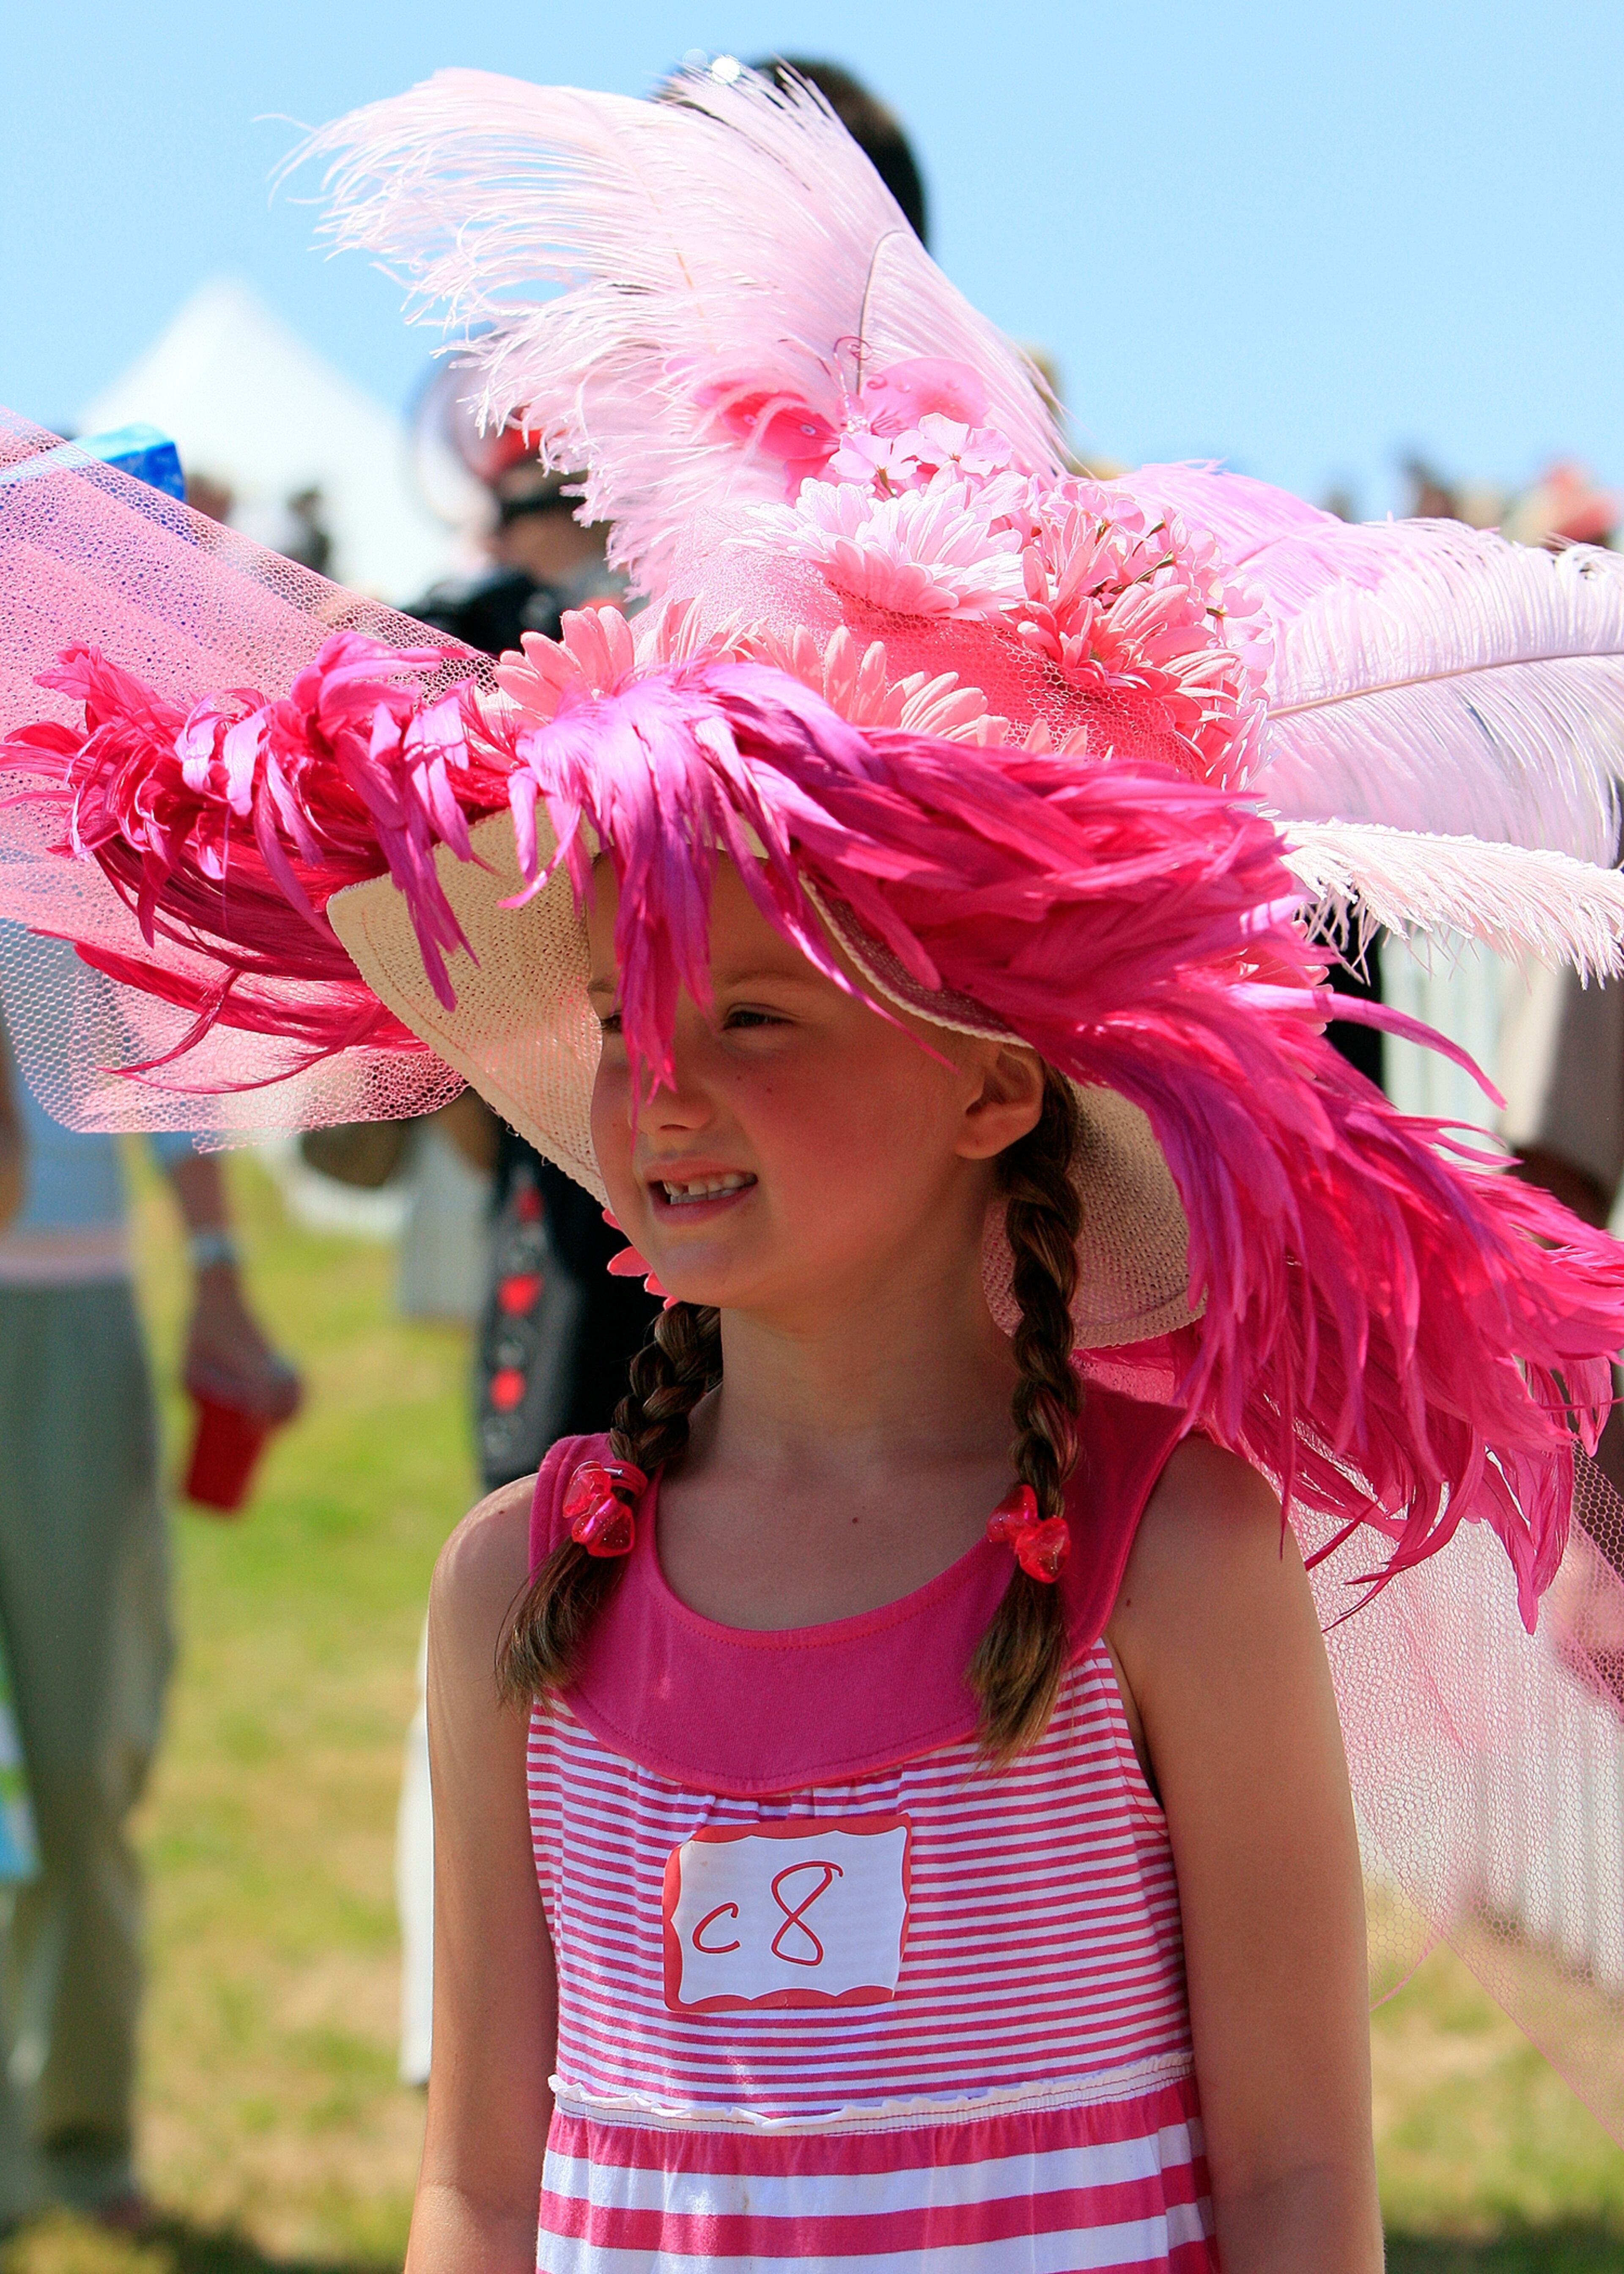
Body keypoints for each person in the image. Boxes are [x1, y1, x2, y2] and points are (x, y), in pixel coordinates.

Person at [5, 60, 1624, 2270]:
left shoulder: (1167, 1561)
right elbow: (481, 2175)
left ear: (992, 1085)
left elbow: (1302, 2174)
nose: (665, 1091)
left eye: (760, 1018)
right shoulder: (518, 1596)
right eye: (632, 1024)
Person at [0, 943, 297, 2229]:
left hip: (68, 1322)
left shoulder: (51, 804)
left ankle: (77, 2132)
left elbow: (167, 1065)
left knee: (84, 1757)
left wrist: (221, 1283)